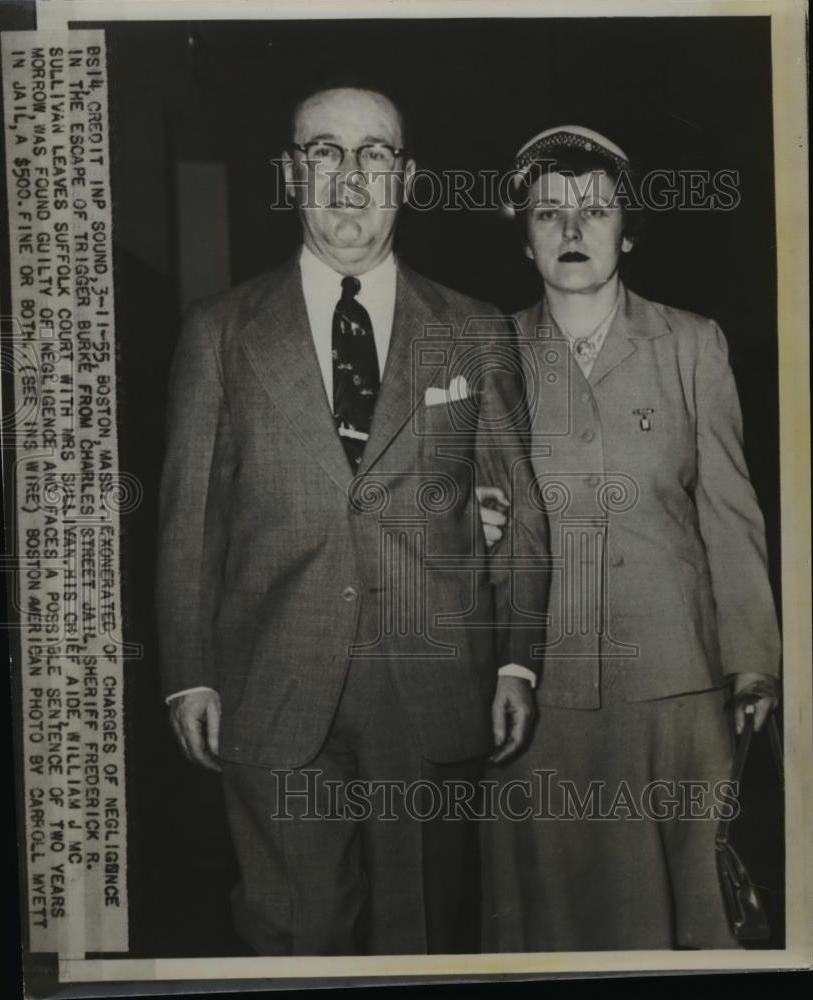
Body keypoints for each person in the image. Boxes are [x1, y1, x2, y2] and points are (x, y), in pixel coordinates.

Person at [155, 83, 548, 956]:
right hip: (272, 682)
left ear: (403, 177)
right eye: (324, 151)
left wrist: (518, 657)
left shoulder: (475, 332)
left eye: (374, 153)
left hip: (432, 687)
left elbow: (521, 513)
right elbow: (190, 516)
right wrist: (188, 673)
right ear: (291, 173)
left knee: (423, 937)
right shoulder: (220, 332)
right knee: (294, 936)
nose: (349, 176)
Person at [478, 125, 781, 951]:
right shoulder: (488, 350)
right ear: (526, 238)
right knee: (553, 919)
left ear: (630, 230)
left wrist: (752, 659)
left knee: (691, 909)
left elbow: (729, 507)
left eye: (595, 212)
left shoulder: (691, 343)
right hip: (540, 686)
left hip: (675, 684)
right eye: (549, 215)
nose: (573, 233)